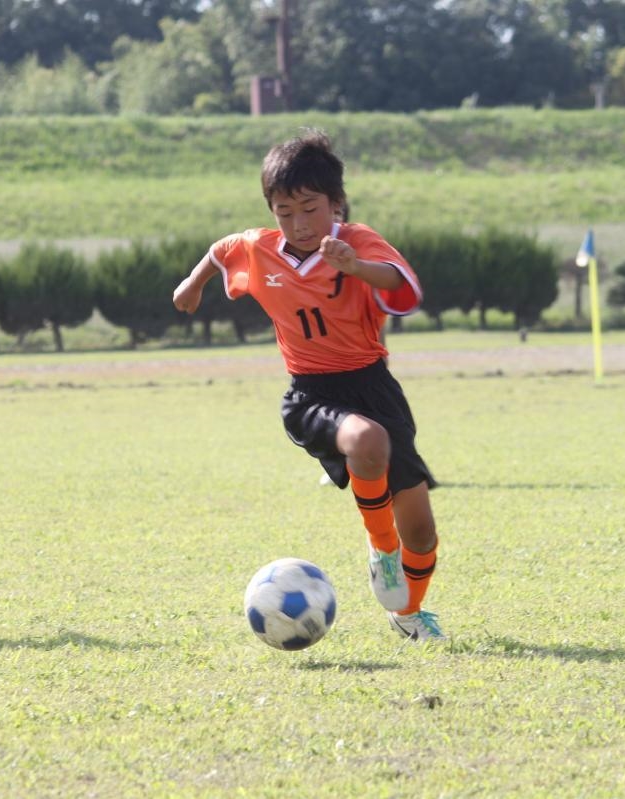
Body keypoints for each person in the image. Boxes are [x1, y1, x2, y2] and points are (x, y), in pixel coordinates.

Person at [173, 132, 444, 642]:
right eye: (285, 212)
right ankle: (381, 549)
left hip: (374, 387)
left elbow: (404, 288)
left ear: (336, 203)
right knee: (367, 441)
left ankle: (408, 613)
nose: (298, 224)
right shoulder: (260, 249)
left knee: (423, 532)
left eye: (310, 209)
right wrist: (193, 282)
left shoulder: (357, 241)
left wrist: (355, 266)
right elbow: (222, 249)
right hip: (311, 394)